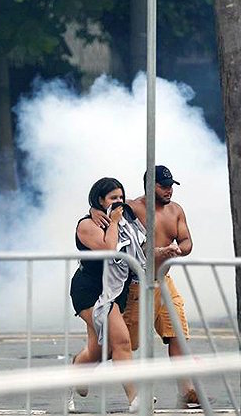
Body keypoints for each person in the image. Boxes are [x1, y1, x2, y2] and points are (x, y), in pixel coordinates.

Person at [91, 165, 200, 408]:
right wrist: (93, 210)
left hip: (164, 280)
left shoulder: (176, 210)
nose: (169, 190)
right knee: (121, 344)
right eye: (163, 186)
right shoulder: (131, 207)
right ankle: (82, 365)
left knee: (178, 334)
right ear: (151, 186)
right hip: (137, 285)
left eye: (171, 185)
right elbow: (106, 212)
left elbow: (187, 240)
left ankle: (188, 390)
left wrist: (177, 250)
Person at [68, 177, 148, 413]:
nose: (118, 202)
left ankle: (73, 376)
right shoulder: (87, 225)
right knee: (121, 341)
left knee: (96, 351)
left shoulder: (126, 219)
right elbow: (109, 249)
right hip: (90, 291)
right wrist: (111, 221)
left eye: (121, 197)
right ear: (100, 201)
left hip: (114, 290)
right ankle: (135, 399)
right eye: (113, 198)